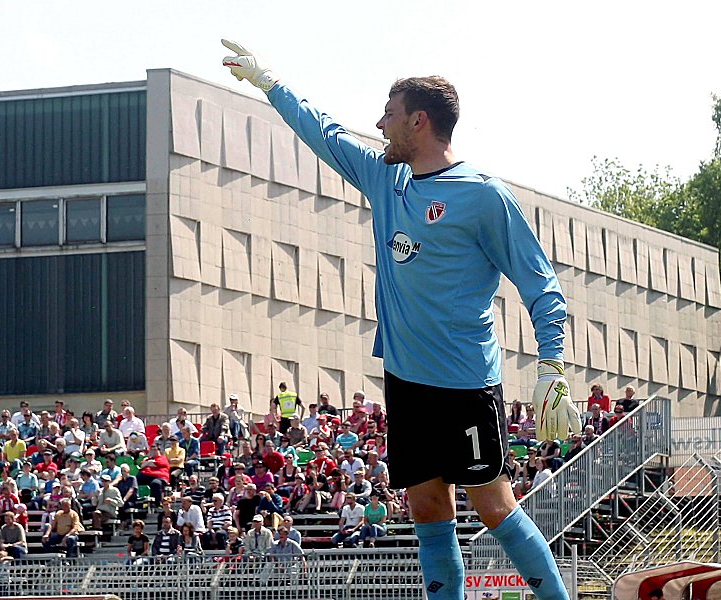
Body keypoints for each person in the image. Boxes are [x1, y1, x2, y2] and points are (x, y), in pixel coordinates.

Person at [221, 40, 579, 598]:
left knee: (492, 504)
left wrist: (552, 365)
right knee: (427, 508)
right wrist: (270, 84)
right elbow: (325, 134)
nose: (379, 124)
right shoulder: (386, 180)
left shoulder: (483, 196)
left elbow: (540, 282)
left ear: (418, 120)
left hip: (465, 383)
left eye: (389, 114)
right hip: (406, 382)